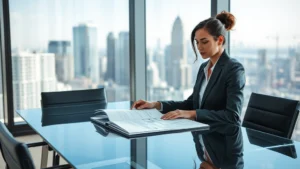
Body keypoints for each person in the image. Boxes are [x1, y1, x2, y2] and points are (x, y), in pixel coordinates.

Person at [132, 11, 245, 125]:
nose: (199, 47)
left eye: (205, 42)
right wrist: (156, 105)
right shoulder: (204, 68)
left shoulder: (234, 69)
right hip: (203, 134)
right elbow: (191, 103)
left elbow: (233, 116)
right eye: (197, 42)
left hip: (224, 138)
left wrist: (192, 114)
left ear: (220, 40)